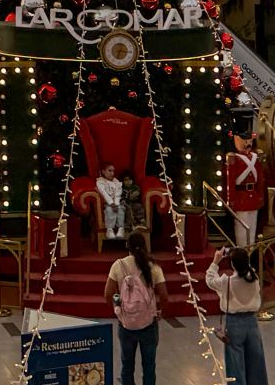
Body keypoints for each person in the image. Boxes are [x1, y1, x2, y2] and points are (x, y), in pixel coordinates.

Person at [104, 230, 168, 385]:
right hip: (148, 324)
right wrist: (160, 311)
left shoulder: (118, 266)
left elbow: (108, 294)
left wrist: (118, 308)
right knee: (149, 367)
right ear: (145, 246)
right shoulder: (153, 267)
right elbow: (164, 295)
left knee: (127, 366)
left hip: (126, 325)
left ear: (128, 246)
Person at [205, 245, 268, 385]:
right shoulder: (254, 278)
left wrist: (216, 261)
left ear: (232, 264)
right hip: (252, 323)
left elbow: (209, 280)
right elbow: (246, 267)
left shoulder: (226, 282)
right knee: (256, 362)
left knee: (235, 365)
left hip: (234, 323)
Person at [97, 163, 126, 240]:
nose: (112, 173)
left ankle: (120, 228)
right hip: (107, 203)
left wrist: (116, 204)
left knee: (121, 209)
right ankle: (109, 229)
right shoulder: (100, 182)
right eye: (109, 171)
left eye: (113, 171)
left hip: (117, 202)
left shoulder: (116, 182)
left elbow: (118, 194)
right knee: (109, 210)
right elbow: (103, 193)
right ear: (103, 171)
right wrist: (111, 203)